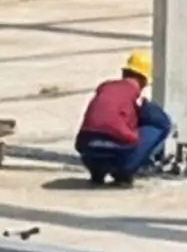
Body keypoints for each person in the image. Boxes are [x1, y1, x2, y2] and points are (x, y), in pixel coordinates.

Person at [75, 50, 174, 185]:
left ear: (124, 73)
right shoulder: (136, 96)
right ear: (144, 80)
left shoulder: (104, 88)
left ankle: (97, 172)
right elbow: (159, 119)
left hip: (87, 146)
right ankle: (124, 172)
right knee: (160, 125)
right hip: (117, 147)